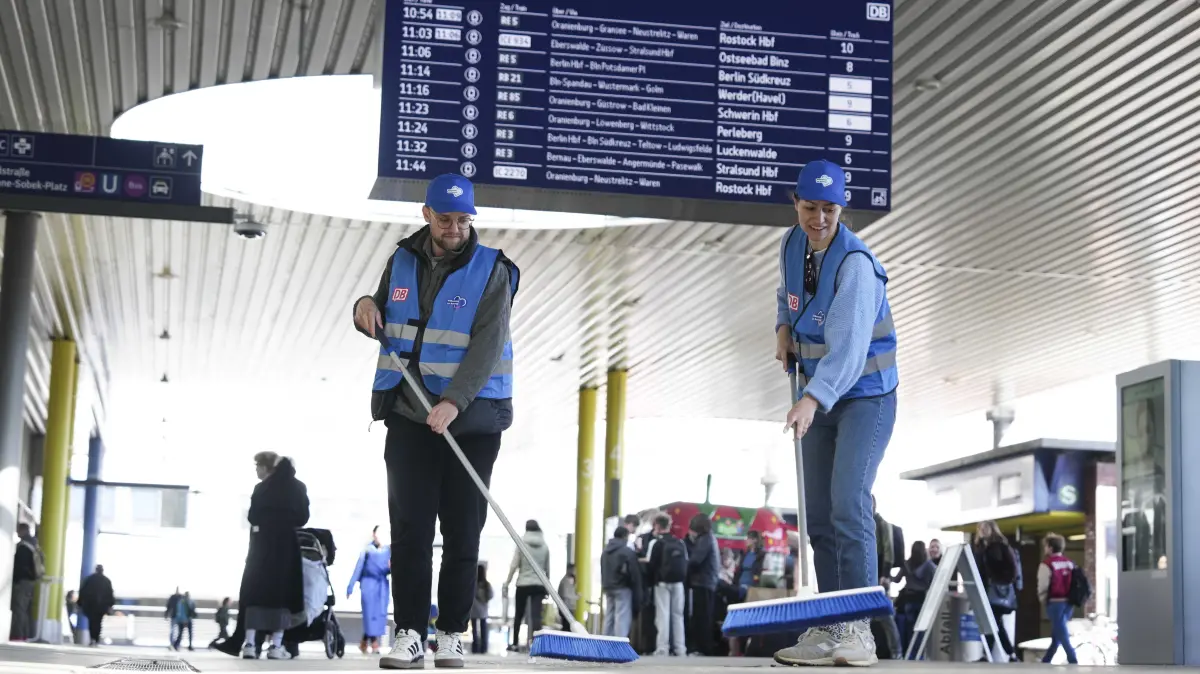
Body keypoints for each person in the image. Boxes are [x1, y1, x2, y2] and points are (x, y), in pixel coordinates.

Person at [352, 173, 519, 670]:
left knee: (463, 531)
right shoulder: (401, 258)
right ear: (426, 215)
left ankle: (450, 634)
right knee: (410, 530)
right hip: (407, 413)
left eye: (463, 220)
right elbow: (382, 314)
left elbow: (488, 345)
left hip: (472, 421)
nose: (454, 229)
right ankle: (407, 633)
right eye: (444, 219)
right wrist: (363, 306)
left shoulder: (494, 270)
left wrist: (454, 401)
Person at [771, 160, 899, 668]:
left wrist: (810, 400)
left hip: (865, 394)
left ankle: (859, 630)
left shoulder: (856, 265)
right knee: (818, 516)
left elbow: (847, 353)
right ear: (795, 203)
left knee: (848, 502)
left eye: (829, 209)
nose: (818, 218)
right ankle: (828, 626)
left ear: (841, 209)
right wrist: (783, 326)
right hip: (817, 390)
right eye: (809, 207)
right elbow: (789, 293)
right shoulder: (790, 243)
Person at [217, 452, 310, 661]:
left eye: (258, 466)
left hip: (261, 547)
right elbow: (303, 517)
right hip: (287, 547)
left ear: (270, 468)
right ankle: (276, 646)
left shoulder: (261, 488)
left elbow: (252, 516)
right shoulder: (298, 487)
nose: (257, 470)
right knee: (282, 596)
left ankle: (249, 644)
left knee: (255, 593)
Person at [973, 520, 1021, 662]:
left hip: (997, 590)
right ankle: (1007, 654)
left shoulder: (1000, 546)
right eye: (980, 528)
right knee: (994, 623)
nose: (981, 531)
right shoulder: (981, 547)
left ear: (992, 529)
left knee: (994, 622)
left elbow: (1013, 568)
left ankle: (995, 654)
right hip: (987, 591)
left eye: (984, 528)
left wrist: (1002, 581)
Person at [504, 520, 550, 652]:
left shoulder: (521, 543)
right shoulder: (545, 546)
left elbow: (514, 565)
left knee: (519, 614)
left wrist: (507, 583)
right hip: (539, 584)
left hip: (523, 583)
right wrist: (547, 587)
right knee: (536, 616)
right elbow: (547, 568)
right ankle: (537, 645)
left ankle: (515, 643)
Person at [647, 513, 687, 656]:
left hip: (662, 583)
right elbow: (686, 563)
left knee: (663, 615)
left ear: (657, 526)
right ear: (669, 526)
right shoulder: (680, 543)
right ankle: (680, 648)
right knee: (678, 615)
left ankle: (663, 648)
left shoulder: (656, 543)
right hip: (678, 583)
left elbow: (651, 565)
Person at [348, 525, 392, 654]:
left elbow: (391, 568)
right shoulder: (367, 550)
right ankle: (374, 643)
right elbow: (358, 568)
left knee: (378, 615)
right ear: (374, 534)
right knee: (369, 615)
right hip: (369, 584)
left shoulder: (388, 550)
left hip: (382, 585)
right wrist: (350, 586)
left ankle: (364, 642)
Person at [1038, 533, 1078, 664]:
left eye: (1045, 546)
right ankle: (1046, 661)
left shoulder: (1046, 564)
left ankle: (1072, 658)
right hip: (1069, 603)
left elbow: (1043, 584)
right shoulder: (1070, 563)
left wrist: (1043, 599)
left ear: (1050, 548)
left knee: (1062, 633)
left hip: (1055, 603)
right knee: (1057, 634)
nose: (1045, 549)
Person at [685, 513, 720, 656]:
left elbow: (695, 560)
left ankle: (702, 648)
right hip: (708, 582)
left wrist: (684, 565)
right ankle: (703, 647)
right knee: (704, 616)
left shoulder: (705, 540)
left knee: (701, 617)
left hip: (702, 582)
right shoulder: (710, 538)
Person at [600, 527, 642, 638]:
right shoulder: (626, 551)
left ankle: (606, 641)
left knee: (609, 615)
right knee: (621, 615)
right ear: (625, 536)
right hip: (622, 587)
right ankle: (619, 643)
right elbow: (633, 572)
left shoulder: (605, 551)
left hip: (608, 587)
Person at [10, 522, 43, 641]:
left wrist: (15, 580)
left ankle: (18, 635)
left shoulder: (23, 547)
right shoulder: (34, 544)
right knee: (24, 610)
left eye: (18, 530)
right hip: (30, 582)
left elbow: (19, 567)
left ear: (23, 530)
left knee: (19, 609)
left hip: (22, 582)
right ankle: (24, 634)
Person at [78, 564, 115, 646]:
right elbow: (110, 594)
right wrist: (110, 605)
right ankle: (96, 639)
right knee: (98, 622)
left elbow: (83, 592)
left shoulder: (89, 579)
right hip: (101, 607)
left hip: (90, 606)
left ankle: (92, 639)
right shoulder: (106, 581)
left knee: (91, 622)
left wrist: (80, 603)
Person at [470, 564, 493, 654]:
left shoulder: (472, 584)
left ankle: (475, 648)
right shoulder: (486, 585)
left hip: (474, 610)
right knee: (484, 630)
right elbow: (491, 595)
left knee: (474, 630)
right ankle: (484, 648)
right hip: (483, 611)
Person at [557, 564, 578, 631]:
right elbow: (565, 594)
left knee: (568, 626)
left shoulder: (571, 581)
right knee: (566, 627)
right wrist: (576, 596)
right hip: (566, 608)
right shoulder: (564, 581)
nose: (575, 572)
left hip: (570, 607)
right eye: (574, 570)